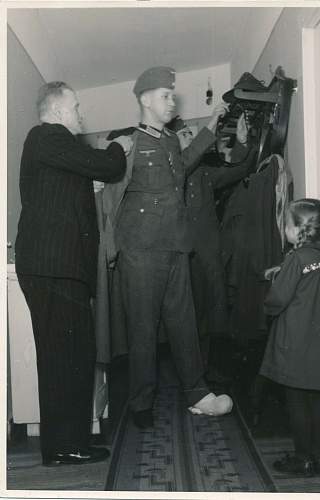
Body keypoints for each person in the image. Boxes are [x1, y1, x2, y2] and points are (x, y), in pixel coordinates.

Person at [103, 66, 233, 428]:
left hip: (177, 246)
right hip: (141, 251)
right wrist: (113, 249)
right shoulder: (128, 143)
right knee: (143, 329)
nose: (172, 100)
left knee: (184, 324)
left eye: (172, 94)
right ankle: (141, 403)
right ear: (145, 99)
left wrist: (211, 126)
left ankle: (199, 393)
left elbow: (187, 165)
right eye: (165, 95)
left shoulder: (171, 141)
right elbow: (111, 198)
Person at [15, 81, 129, 466]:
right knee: (66, 357)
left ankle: (68, 443)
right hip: (53, 269)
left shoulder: (52, 150)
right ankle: (64, 447)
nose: (81, 113)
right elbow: (109, 165)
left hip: (58, 269)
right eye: (76, 106)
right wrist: (119, 146)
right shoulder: (46, 136)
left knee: (70, 355)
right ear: (59, 111)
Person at [167, 116, 257, 380]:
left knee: (212, 311)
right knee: (187, 316)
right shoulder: (167, 175)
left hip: (208, 255)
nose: (193, 139)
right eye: (186, 135)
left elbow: (238, 169)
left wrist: (242, 142)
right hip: (182, 258)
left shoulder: (204, 172)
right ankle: (191, 373)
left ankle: (208, 370)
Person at [259, 198, 320, 476]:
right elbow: (308, 287)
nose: (284, 228)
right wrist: (284, 271)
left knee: (295, 402)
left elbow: (278, 299)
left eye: (286, 224)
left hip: (295, 345)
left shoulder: (296, 258)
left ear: (299, 230)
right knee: (312, 401)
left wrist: (270, 292)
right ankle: (319, 457)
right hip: (317, 347)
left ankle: (302, 458)